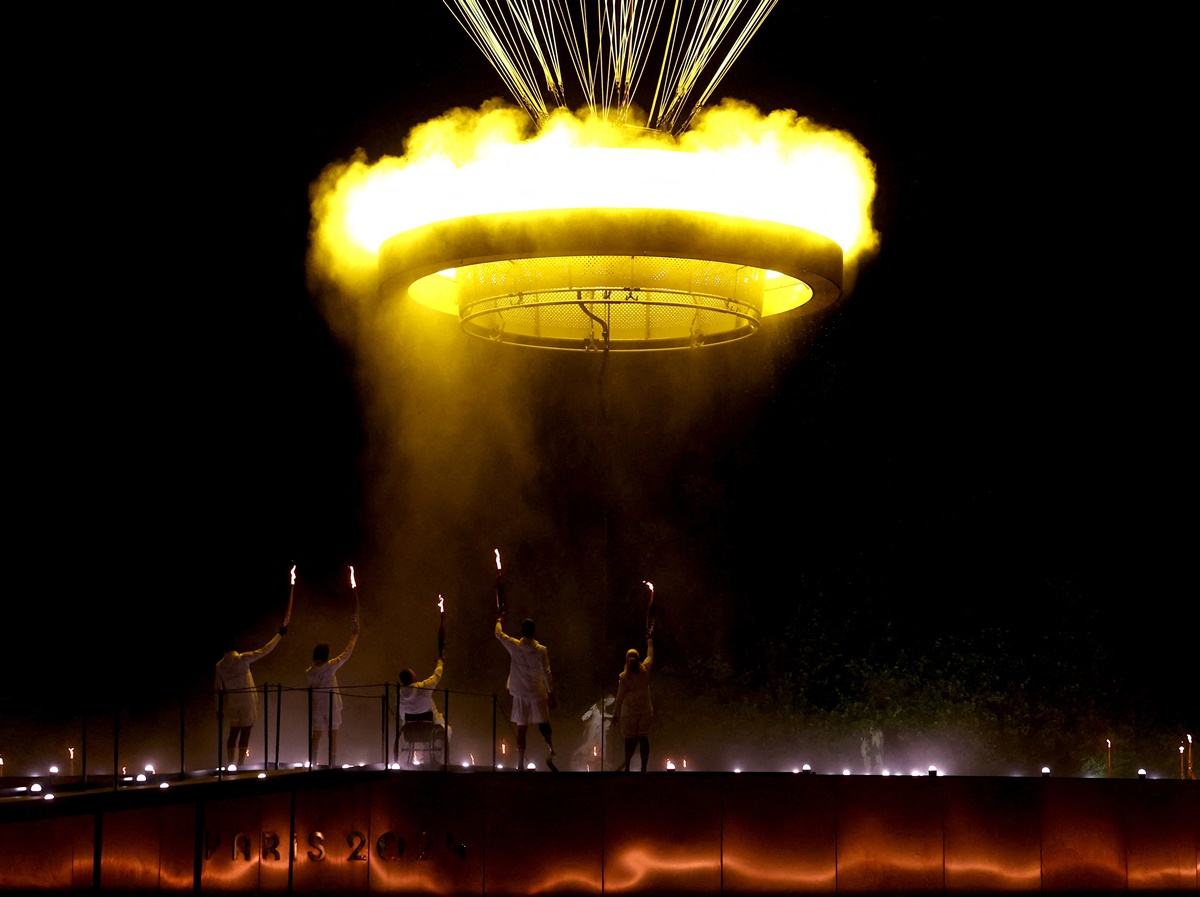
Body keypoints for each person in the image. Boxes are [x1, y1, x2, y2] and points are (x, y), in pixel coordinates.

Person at [215, 624, 286, 769]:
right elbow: (265, 650)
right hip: (247, 701)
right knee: (245, 732)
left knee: (233, 733)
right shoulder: (242, 659)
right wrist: (279, 635)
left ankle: (230, 764)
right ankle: (240, 765)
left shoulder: (220, 666)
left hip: (233, 703)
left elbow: (217, 689)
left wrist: (218, 708)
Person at [495, 614, 557, 771]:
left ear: (522, 631)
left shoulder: (515, 646)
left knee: (521, 729)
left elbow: (498, 634)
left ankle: (520, 764)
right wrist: (551, 694)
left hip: (521, 694)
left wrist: (499, 621)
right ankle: (551, 749)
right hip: (537, 692)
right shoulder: (541, 650)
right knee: (544, 723)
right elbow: (546, 673)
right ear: (534, 632)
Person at [306, 612, 360, 768]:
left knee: (316, 735)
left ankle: (312, 762)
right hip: (331, 705)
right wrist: (354, 636)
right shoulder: (329, 667)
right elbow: (346, 654)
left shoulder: (309, 671)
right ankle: (332, 764)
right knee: (333, 734)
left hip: (317, 706)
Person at [396, 654, 450, 764]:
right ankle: (436, 758)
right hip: (428, 730)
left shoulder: (399, 695)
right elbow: (436, 676)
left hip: (410, 731)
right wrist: (440, 663)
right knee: (447, 730)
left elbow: (402, 715)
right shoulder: (423, 687)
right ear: (413, 677)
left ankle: (427, 757)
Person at [612, 635, 654, 772]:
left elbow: (620, 697)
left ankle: (631, 768)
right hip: (639, 712)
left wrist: (616, 713)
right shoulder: (644, 670)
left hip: (633, 712)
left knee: (633, 740)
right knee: (641, 739)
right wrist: (649, 641)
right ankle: (639, 768)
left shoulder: (625, 676)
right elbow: (650, 655)